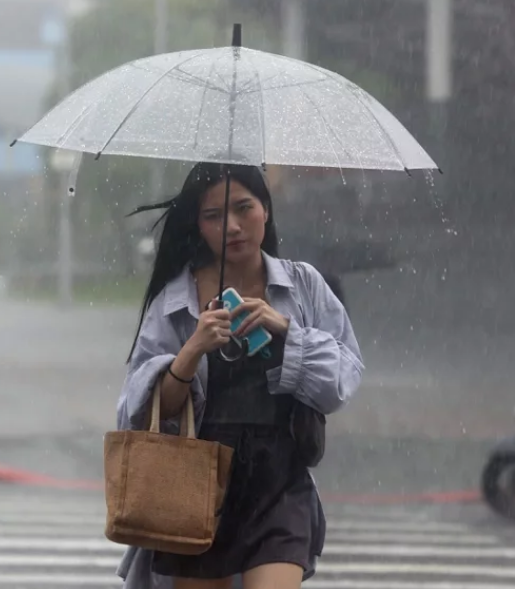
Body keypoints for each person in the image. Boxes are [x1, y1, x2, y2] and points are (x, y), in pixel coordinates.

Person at [115, 161, 365, 589]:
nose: (232, 226)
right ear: (198, 224)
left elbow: (342, 379)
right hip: (195, 484)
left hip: (279, 483)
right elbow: (140, 413)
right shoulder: (175, 299)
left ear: (266, 209)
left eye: (244, 208)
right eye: (213, 215)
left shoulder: (303, 287)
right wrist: (192, 350)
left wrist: (285, 330)